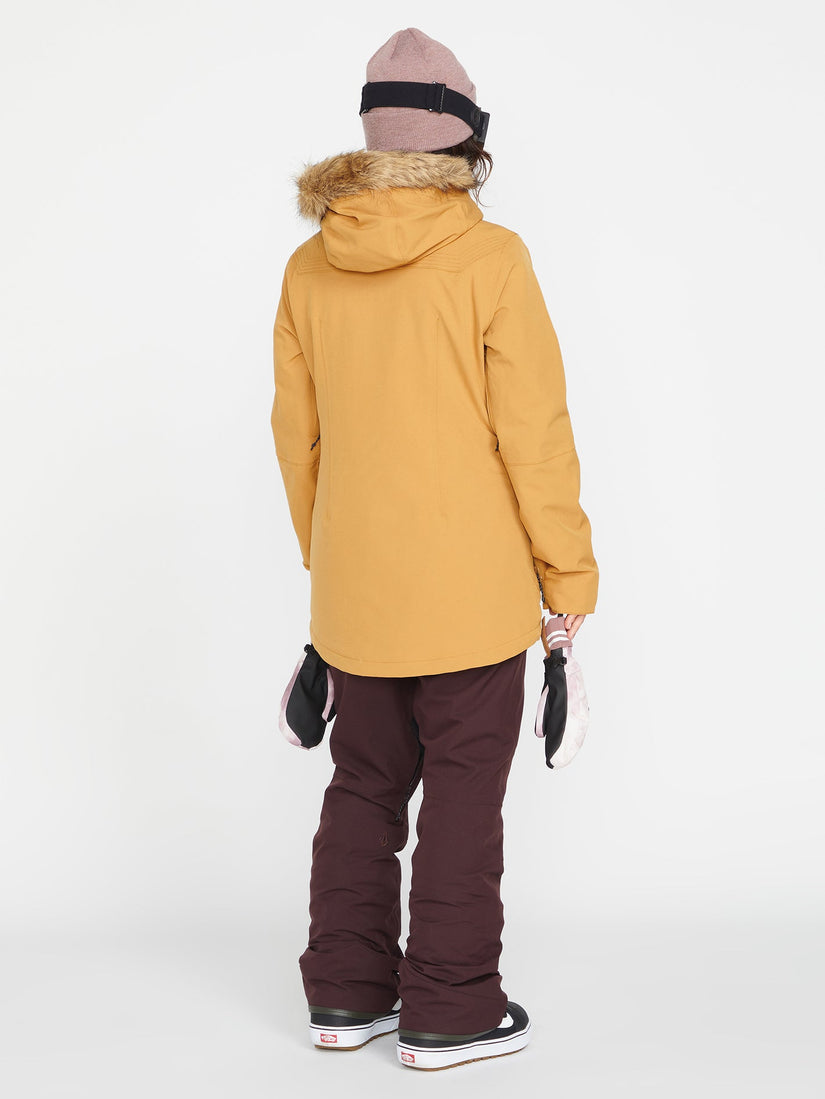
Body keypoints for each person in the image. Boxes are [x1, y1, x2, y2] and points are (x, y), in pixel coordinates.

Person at [271, 27, 599, 1070]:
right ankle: (452, 1007)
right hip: (471, 596)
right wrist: (568, 577)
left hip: (356, 596)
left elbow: (297, 438)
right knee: (461, 793)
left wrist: (333, 564)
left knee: (362, 786)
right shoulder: (490, 258)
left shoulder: (309, 266)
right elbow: (533, 436)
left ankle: (345, 994)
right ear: (463, 140)